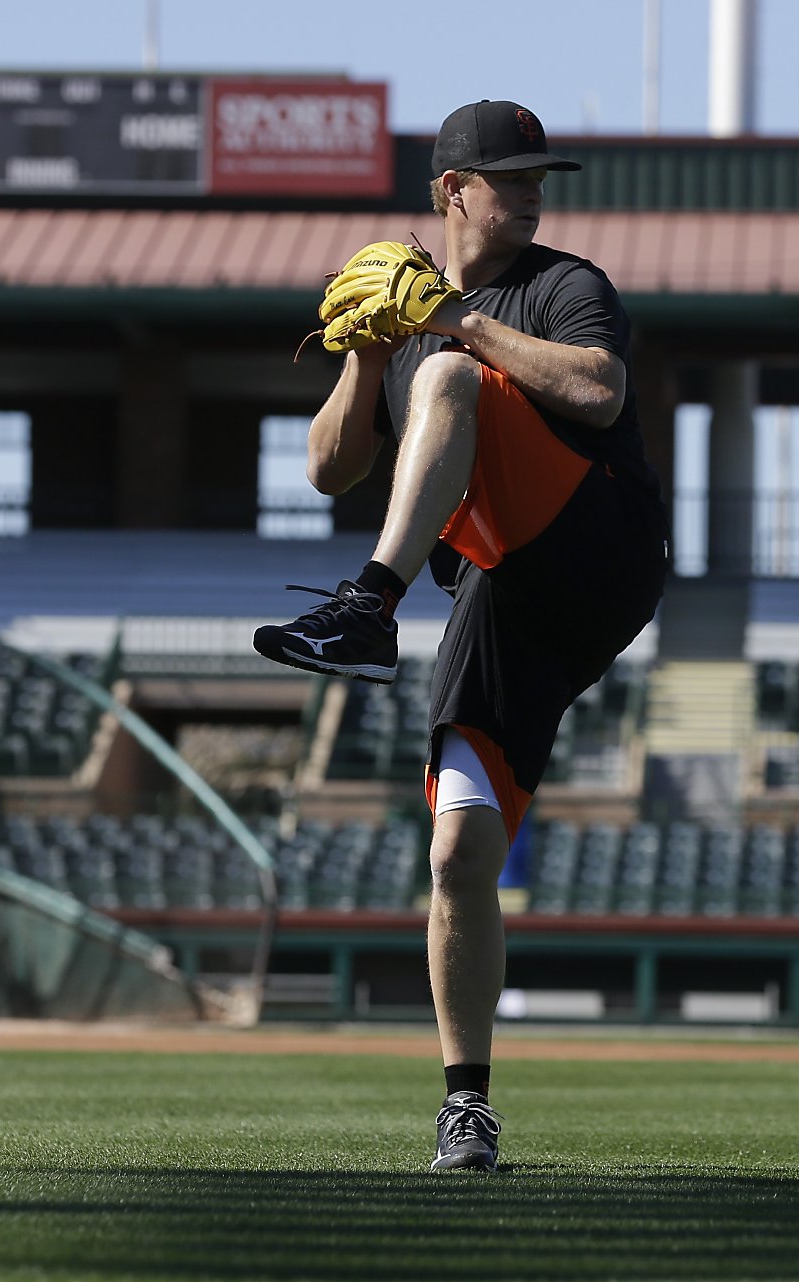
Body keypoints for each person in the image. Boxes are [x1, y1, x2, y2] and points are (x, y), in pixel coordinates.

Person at [253, 99, 669, 1171]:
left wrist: (454, 323)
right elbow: (326, 468)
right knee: (455, 852)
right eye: (509, 178)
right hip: (502, 590)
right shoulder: (411, 320)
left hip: (595, 543)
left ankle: (366, 607)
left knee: (447, 374)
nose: (531, 194)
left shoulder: (565, 286)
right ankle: (466, 1106)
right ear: (451, 191)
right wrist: (360, 351)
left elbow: (596, 386)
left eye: (539, 178)